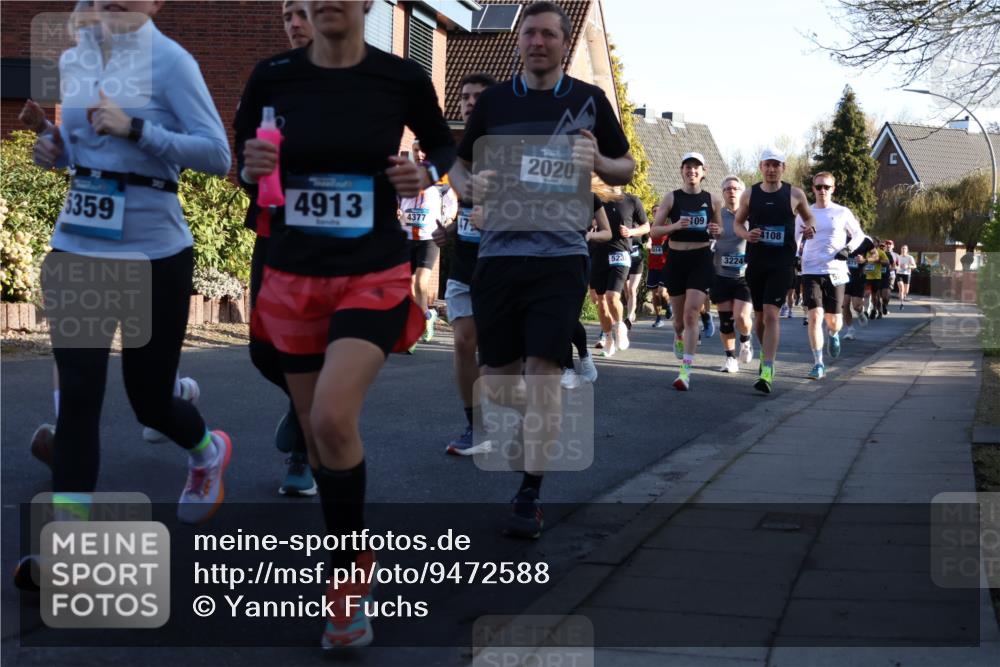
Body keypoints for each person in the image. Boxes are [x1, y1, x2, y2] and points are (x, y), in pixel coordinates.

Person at [236, 0, 455, 647]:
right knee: (316, 430)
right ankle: (350, 557)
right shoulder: (271, 75)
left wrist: (428, 171)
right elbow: (245, 165)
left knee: (333, 417)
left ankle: (345, 583)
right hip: (294, 272)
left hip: (372, 268)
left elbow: (442, 144)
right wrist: (251, 173)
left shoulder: (400, 77)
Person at [28, 0, 233, 529]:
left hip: (153, 252)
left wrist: (138, 129)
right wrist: (52, 147)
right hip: (78, 244)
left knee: (149, 400)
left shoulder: (172, 62)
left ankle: (207, 452)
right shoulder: (76, 61)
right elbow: (80, 152)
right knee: (77, 394)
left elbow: (217, 154)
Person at [449, 0, 634, 538]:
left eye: (548, 34)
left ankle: (529, 493)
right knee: (501, 381)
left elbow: (623, 166)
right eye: (529, 33)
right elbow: (462, 164)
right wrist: (468, 189)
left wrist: (599, 162)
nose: (538, 42)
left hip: (560, 256)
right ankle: (524, 431)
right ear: (519, 41)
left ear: (562, 41)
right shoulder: (496, 102)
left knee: (544, 374)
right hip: (499, 255)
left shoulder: (589, 100)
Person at [242, 0, 317, 497]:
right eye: (287, 13)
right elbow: (244, 153)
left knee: (312, 349)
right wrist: (254, 174)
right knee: (263, 351)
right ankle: (299, 403)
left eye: (303, 13)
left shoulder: (361, 83)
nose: (293, 23)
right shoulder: (268, 77)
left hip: (328, 241)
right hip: (273, 233)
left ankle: (304, 455)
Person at [432, 71, 497, 455]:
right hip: (465, 265)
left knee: (498, 354)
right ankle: (476, 426)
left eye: (479, 97)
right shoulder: (457, 154)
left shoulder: (508, 149)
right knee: (462, 343)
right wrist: (451, 231)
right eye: (465, 97)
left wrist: (496, 217)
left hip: (503, 266)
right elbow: (466, 210)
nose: (470, 102)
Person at [730, 148, 816, 394]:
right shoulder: (750, 194)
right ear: (761, 167)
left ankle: (767, 368)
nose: (771, 169)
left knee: (771, 314)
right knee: (759, 318)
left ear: (783, 168)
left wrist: (809, 229)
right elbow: (737, 223)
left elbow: (810, 219)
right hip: (756, 263)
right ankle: (766, 353)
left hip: (782, 264)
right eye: (767, 165)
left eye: (776, 165)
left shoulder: (795, 194)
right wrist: (747, 234)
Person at [649, 152, 722, 391]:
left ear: (703, 172)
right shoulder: (671, 198)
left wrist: (715, 230)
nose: (692, 171)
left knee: (692, 314)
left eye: (696, 167)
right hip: (677, 258)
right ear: (681, 171)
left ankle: (685, 371)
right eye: (688, 167)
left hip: (701, 258)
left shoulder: (712, 200)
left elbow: (718, 230)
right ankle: (678, 335)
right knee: (679, 321)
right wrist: (675, 226)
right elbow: (655, 231)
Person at [797, 172, 865, 380]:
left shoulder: (842, 212)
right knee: (814, 316)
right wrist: (795, 255)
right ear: (813, 188)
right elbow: (796, 237)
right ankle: (818, 363)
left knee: (834, 320)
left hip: (836, 270)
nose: (822, 191)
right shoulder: (804, 212)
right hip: (811, 270)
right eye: (819, 187)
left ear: (833, 189)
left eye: (826, 187)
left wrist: (848, 249)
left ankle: (834, 334)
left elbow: (859, 234)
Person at [590, 181, 647, 356]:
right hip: (599, 254)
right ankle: (608, 338)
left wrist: (631, 232)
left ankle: (620, 325)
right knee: (601, 302)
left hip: (621, 253)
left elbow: (646, 226)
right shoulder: (597, 200)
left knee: (612, 296)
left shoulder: (632, 200)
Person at [400, 139, 446, 343]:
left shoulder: (442, 178)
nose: (420, 155)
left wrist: (449, 217)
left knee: (419, 281)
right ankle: (425, 316)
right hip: (407, 236)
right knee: (407, 283)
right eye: (416, 151)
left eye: (423, 151)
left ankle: (422, 322)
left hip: (429, 237)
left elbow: (452, 202)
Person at [710, 176, 754, 373]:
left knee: (742, 317)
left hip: (744, 276)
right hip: (721, 275)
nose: (731, 191)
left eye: (736, 188)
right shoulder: (717, 215)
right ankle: (730, 358)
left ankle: (745, 340)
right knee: (726, 320)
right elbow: (708, 236)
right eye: (727, 188)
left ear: (742, 192)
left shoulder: (751, 216)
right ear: (723, 193)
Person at [896, 244, 916, 309]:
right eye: (902, 248)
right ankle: (901, 304)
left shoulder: (910, 257)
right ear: (901, 249)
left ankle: (903, 295)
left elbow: (914, 266)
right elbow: (895, 265)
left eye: (905, 248)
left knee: (906, 291)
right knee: (901, 287)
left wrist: (908, 266)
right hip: (899, 273)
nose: (903, 250)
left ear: (907, 250)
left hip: (907, 274)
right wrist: (897, 267)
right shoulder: (898, 257)